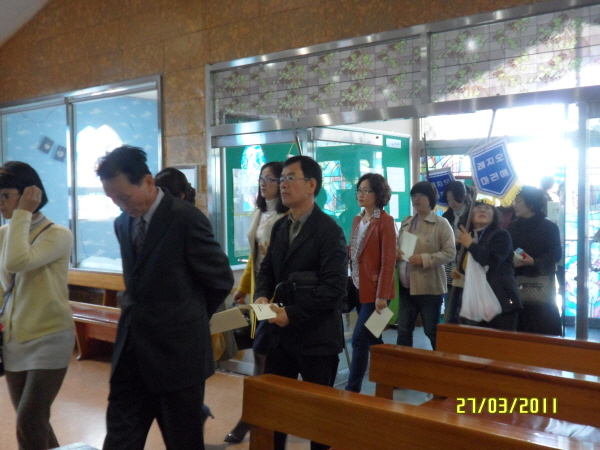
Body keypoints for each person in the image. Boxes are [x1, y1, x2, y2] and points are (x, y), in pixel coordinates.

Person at [96, 146, 234, 450]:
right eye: (112, 199)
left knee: (182, 441)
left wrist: (185, 317)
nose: (120, 205)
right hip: (131, 353)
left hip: (177, 357)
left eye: (124, 197)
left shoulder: (185, 218)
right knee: (119, 440)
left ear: (148, 181)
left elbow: (219, 279)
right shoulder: (123, 223)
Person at [254, 155, 347, 450]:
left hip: (316, 340)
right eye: (281, 179)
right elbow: (267, 271)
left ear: (311, 185)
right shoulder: (281, 226)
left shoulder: (329, 230)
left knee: (318, 419)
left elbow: (334, 289)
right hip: (280, 338)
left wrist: (290, 314)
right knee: (276, 413)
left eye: (290, 178)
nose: (283, 185)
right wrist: (261, 295)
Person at [0, 162, 74, 450]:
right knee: (34, 421)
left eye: (6, 195)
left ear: (30, 193)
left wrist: (22, 214)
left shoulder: (58, 234)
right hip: (14, 339)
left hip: (50, 337)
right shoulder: (4, 234)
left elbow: (17, 261)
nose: (0, 203)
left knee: (30, 419)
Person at [224, 161, 289, 444]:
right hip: (260, 296)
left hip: (278, 299)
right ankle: (258, 416)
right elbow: (254, 257)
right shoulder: (260, 212)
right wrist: (243, 288)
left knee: (266, 353)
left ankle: (255, 417)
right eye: (261, 178)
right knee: (262, 353)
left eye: (270, 179)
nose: (264, 183)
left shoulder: (288, 217)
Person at [344, 173, 396, 393]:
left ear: (378, 194)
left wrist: (382, 295)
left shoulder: (385, 221)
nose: (361, 194)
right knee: (373, 337)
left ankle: (352, 391)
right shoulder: (357, 220)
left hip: (376, 292)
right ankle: (393, 374)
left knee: (359, 339)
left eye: (367, 190)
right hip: (357, 286)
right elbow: (355, 253)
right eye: (359, 190)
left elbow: (388, 261)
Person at [396, 181, 455, 350]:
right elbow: (399, 246)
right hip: (406, 287)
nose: (417, 199)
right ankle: (403, 364)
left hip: (429, 288)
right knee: (403, 330)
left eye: (421, 195)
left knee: (431, 331)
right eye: (414, 196)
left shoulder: (441, 223)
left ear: (431, 199)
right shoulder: (406, 222)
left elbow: (450, 253)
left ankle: (442, 362)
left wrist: (425, 259)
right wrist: (396, 252)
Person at [454, 202, 522, 330]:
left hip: (500, 300)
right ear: (470, 215)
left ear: (494, 215)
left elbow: (491, 261)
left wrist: (471, 245)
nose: (482, 210)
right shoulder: (468, 238)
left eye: (487, 208)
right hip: (476, 303)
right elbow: (473, 269)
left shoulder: (501, 235)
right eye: (478, 207)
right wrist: (460, 273)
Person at [508, 186, 562, 336]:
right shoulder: (513, 226)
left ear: (531, 205)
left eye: (518, 201)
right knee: (519, 327)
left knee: (541, 327)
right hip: (517, 280)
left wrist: (534, 261)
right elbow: (510, 249)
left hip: (541, 285)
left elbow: (555, 254)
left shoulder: (549, 226)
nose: (514, 204)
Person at [441, 181, 471, 323]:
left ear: (463, 195)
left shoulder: (472, 214)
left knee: (465, 309)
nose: (451, 203)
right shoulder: (447, 216)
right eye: (448, 199)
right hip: (449, 266)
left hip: (466, 266)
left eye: (454, 198)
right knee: (449, 307)